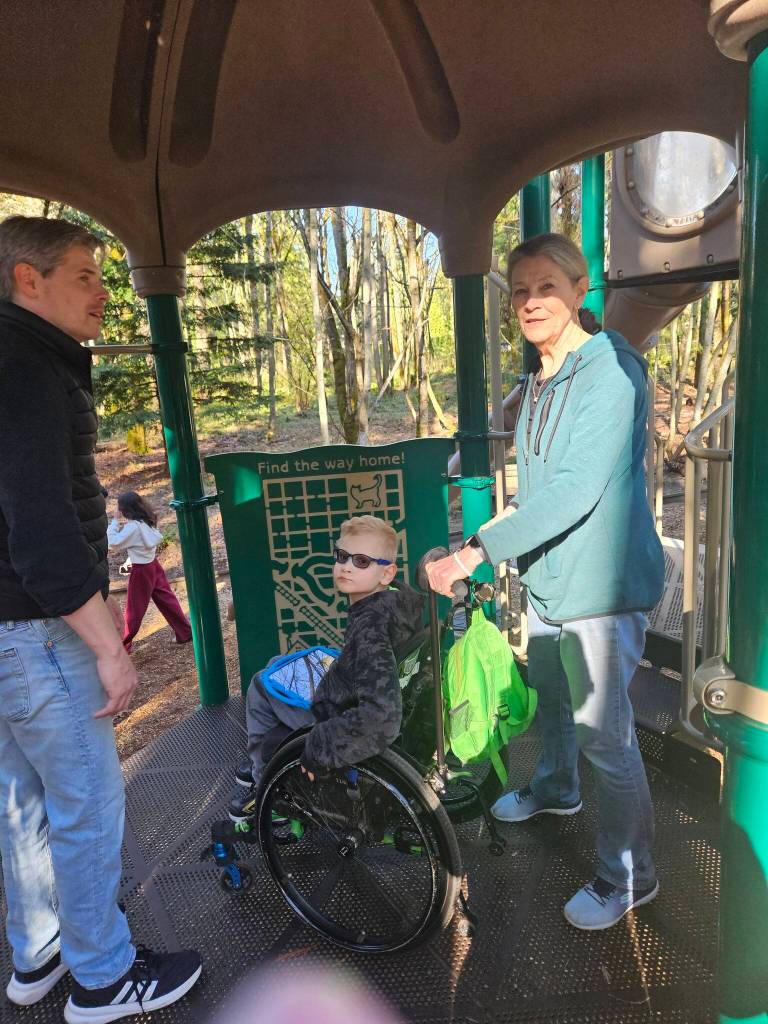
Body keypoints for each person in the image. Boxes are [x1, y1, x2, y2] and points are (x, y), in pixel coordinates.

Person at [427, 232, 665, 931]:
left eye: (547, 287)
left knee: (606, 736)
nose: (532, 302)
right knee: (554, 700)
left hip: (602, 588)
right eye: (521, 291)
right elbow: (531, 494)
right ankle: (558, 787)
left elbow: (573, 492)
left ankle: (630, 875)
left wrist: (474, 555)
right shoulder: (537, 381)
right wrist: (478, 545)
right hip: (553, 583)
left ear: (580, 290)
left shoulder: (610, 373)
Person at [0, 216, 202, 1022]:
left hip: (6, 632)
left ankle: (38, 952)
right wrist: (108, 647)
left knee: (21, 802)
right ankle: (104, 977)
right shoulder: (26, 367)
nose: (104, 292)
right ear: (28, 280)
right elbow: (43, 528)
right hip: (41, 632)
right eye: (85, 274)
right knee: (86, 805)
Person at [229, 514, 424, 820]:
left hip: (336, 710)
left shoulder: (369, 629)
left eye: (361, 561)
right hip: (349, 684)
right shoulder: (396, 601)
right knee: (276, 665)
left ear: (387, 573)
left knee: (260, 684)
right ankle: (268, 763)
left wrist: (321, 744)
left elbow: (382, 717)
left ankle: (266, 781)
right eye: (342, 556)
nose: (346, 566)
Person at [107, 491, 192, 651]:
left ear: (124, 510)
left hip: (141, 571)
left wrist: (115, 521)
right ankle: (185, 632)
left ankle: (123, 645)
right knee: (168, 600)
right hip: (153, 565)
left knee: (134, 611)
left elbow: (113, 543)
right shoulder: (147, 520)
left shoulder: (132, 528)